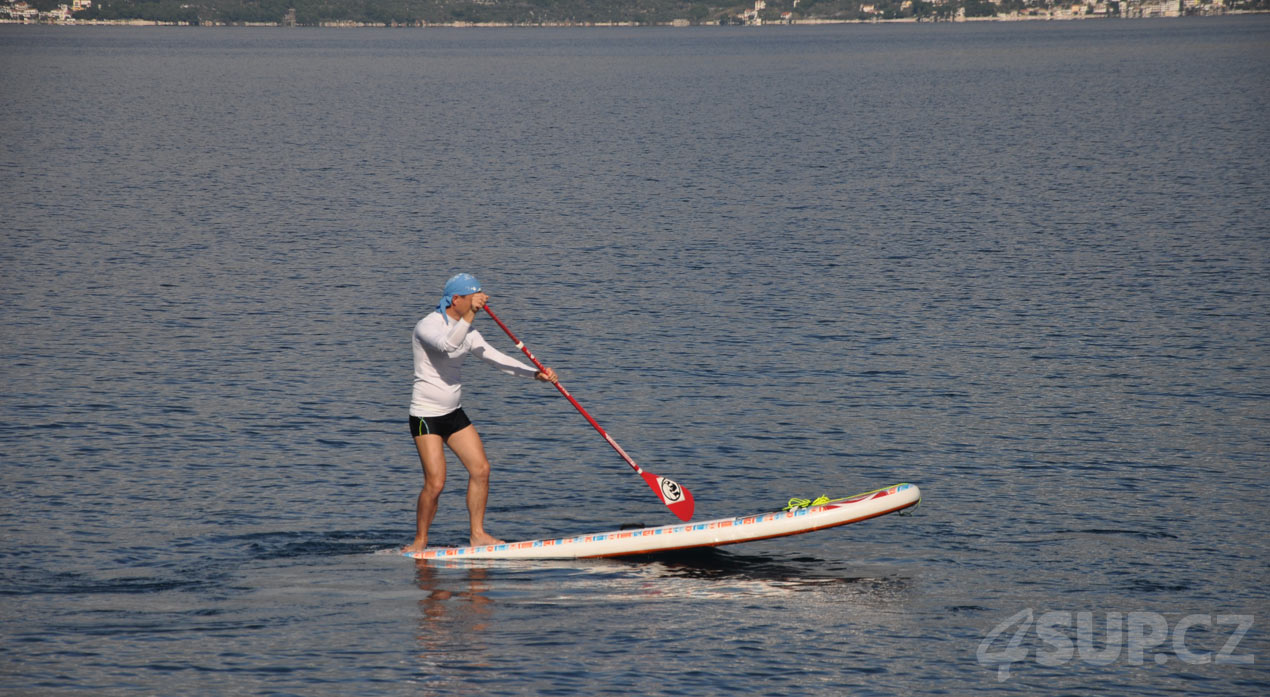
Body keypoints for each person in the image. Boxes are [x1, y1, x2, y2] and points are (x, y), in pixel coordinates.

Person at [404, 273, 557, 554]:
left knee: (481, 470)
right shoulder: (427, 326)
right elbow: (448, 346)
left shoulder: (470, 332)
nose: (480, 303)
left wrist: (535, 374)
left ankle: (477, 535)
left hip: (453, 412)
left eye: (480, 298)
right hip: (426, 415)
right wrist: (471, 314)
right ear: (456, 300)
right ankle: (420, 541)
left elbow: (497, 358)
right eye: (474, 299)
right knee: (436, 482)